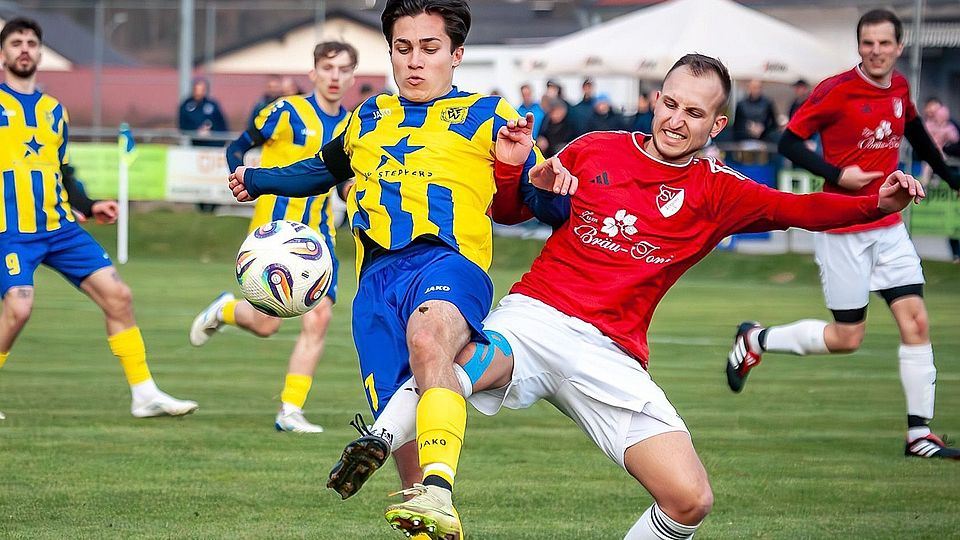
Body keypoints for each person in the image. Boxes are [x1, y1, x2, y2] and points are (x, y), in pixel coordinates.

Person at [324, 53, 926, 538]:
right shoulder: (595, 149)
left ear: (716, 125)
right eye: (669, 103)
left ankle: (387, 434)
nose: (675, 120)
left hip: (612, 354)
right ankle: (385, 442)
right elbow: (512, 211)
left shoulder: (721, 191)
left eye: (694, 112)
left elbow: (804, 208)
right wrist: (521, 174)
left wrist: (877, 201)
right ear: (654, 100)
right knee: (458, 362)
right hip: (535, 318)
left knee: (689, 500)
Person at [225, 1, 547, 537]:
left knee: (429, 340)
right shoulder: (369, 115)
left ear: (456, 54)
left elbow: (526, 204)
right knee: (405, 450)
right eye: (403, 49)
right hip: (375, 283)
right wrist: (259, 181)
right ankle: (432, 509)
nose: (414, 61)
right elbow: (324, 169)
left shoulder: (491, 114)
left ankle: (442, 486)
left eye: (430, 48)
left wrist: (522, 168)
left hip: (449, 261)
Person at [727, 9, 960, 460]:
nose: (876, 51)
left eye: (884, 43)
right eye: (868, 43)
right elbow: (789, 143)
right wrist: (838, 173)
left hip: (889, 228)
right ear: (859, 46)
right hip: (842, 228)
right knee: (847, 338)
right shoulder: (835, 91)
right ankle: (755, 340)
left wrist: (948, 175)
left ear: (899, 47)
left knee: (916, 322)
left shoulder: (900, 87)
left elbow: (910, 125)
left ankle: (920, 436)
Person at [0, 17, 198, 420]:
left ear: (39, 53)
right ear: (3, 54)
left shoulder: (55, 111)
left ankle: (144, 394)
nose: (25, 48)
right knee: (19, 309)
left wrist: (89, 205)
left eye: (32, 42)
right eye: (16, 42)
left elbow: (64, 170)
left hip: (59, 227)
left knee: (119, 296)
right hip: (12, 231)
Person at [190, 41, 358, 433]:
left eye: (344, 69)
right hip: (274, 234)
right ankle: (226, 310)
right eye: (328, 68)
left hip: (319, 236)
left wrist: (357, 196)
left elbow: (341, 181)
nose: (335, 76)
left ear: (352, 76)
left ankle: (290, 410)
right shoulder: (285, 110)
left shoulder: (353, 125)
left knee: (320, 318)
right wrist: (238, 175)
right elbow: (238, 145)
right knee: (268, 325)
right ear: (314, 71)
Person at [177, 77, 228, 147]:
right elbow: (183, 125)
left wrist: (213, 133)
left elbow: (221, 124)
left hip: (213, 144)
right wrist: (197, 131)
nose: (199, 93)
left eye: (202, 90)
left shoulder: (212, 105)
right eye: (197, 90)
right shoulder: (186, 105)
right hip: (192, 144)